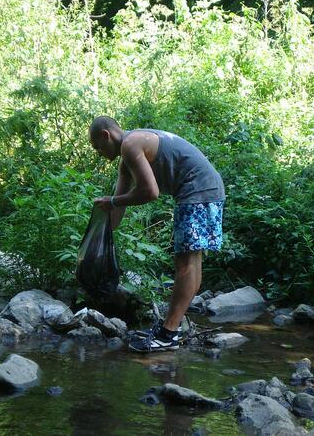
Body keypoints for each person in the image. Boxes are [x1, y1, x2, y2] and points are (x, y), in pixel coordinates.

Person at [89, 116, 225, 353]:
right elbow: (117, 208)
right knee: (191, 261)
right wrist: (100, 235)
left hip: (199, 189)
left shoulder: (131, 145)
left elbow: (149, 192)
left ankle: (168, 334)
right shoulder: (127, 154)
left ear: (106, 135)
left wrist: (111, 201)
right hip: (206, 189)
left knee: (185, 264)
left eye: (97, 147)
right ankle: (171, 329)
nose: (99, 153)